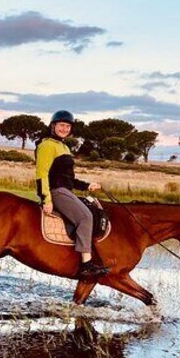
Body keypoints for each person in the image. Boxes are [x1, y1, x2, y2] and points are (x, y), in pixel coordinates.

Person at [35, 110, 109, 279]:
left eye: (67, 126)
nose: (64, 129)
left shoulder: (64, 147)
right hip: (57, 191)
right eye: (61, 125)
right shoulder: (47, 145)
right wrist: (46, 199)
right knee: (86, 217)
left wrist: (87, 185)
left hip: (66, 190)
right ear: (53, 126)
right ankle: (86, 265)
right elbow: (42, 174)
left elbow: (69, 178)